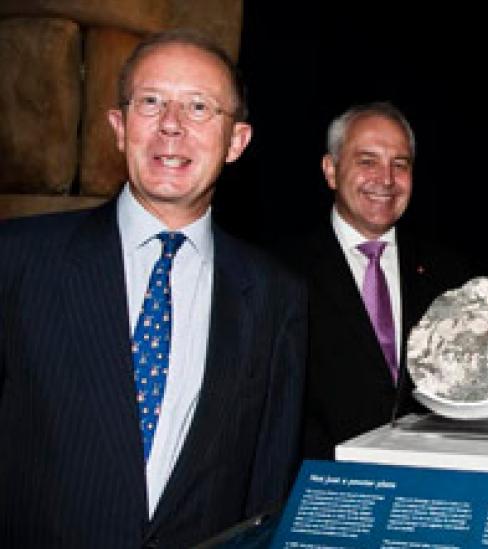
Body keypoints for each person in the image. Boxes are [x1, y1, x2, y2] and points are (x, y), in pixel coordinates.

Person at [0, 29, 306, 547]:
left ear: (237, 142)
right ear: (119, 127)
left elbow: (268, 489)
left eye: (199, 107)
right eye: (151, 102)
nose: (171, 126)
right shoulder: (17, 260)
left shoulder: (275, 295)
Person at [298, 102, 472, 460]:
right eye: (367, 161)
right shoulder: (282, 275)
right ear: (331, 171)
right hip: (324, 494)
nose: (387, 179)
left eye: (400, 164)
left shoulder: (448, 275)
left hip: (428, 489)